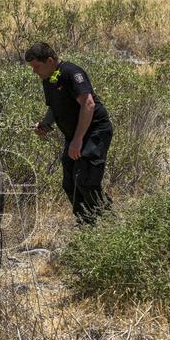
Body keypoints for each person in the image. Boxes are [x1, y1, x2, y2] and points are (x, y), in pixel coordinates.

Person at [26, 42, 113, 225]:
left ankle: (108, 224)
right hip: (74, 136)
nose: (34, 71)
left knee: (86, 180)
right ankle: (87, 226)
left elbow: (88, 104)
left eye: (37, 66)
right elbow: (54, 108)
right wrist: (45, 125)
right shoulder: (49, 80)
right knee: (70, 184)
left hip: (94, 131)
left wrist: (78, 140)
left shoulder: (71, 72)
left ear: (50, 61)